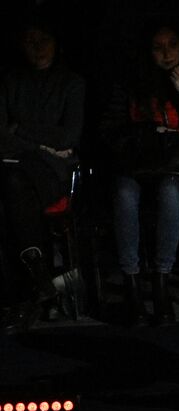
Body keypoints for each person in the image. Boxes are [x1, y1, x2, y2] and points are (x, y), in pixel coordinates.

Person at [99, 23, 179, 325]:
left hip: (173, 167)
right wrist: (146, 134)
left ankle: (162, 281)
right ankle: (132, 283)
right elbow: (109, 129)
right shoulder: (130, 83)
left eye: (172, 45)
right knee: (123, 194)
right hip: (134, 164)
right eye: (158, 47)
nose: (166, 53)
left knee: (171, 193)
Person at [0, 21, 84, 330]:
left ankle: (26, 292)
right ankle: (35, 284)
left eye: (43, 39)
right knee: (11, 190)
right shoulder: (10, 81)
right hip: (15, 169)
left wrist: (20, 130)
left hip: (53, 174)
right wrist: (44, 144)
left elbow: (70, 135)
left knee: (12, 185)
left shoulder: (72, 83)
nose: (37, 46)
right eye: (30, 40)